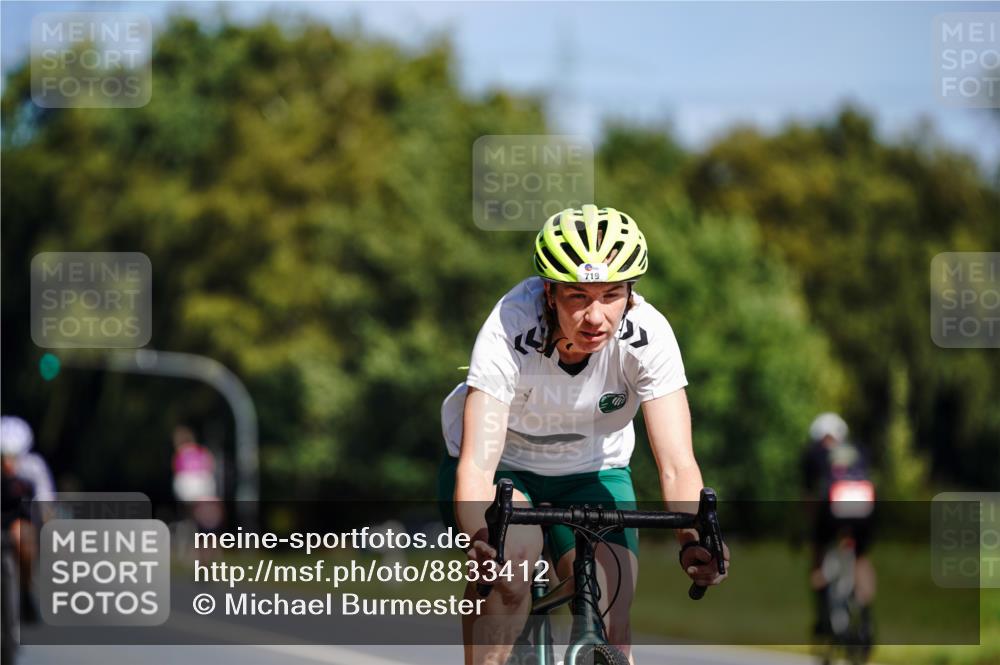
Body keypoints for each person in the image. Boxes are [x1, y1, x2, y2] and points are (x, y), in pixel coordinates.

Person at [439, 205, 729, 665]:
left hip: (593, 468)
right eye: (578, 296)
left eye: (612, 295)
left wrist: (695, 538)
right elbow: (477, 465)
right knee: (510, 572)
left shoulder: (649, 336)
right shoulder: (509, 327)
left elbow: (677, 463)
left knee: (612, 608)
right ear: (549, 293)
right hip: (505, 470)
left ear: (630, 293)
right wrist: (482, 538)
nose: (596, 316)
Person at [801, 412, 876, 648]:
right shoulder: (858, 449)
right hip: (864, 503)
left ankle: (823, 616)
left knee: (819, 550)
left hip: (833, 506)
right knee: (861, 557)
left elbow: (808, 496)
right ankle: (865, 617)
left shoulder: (814, 453)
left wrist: (809, 530)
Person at [0, 416, 44, 625]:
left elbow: (45, 502)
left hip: (21, 522)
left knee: (21, 537)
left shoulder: (34, 468)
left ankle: (26, 590)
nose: (8, 463)